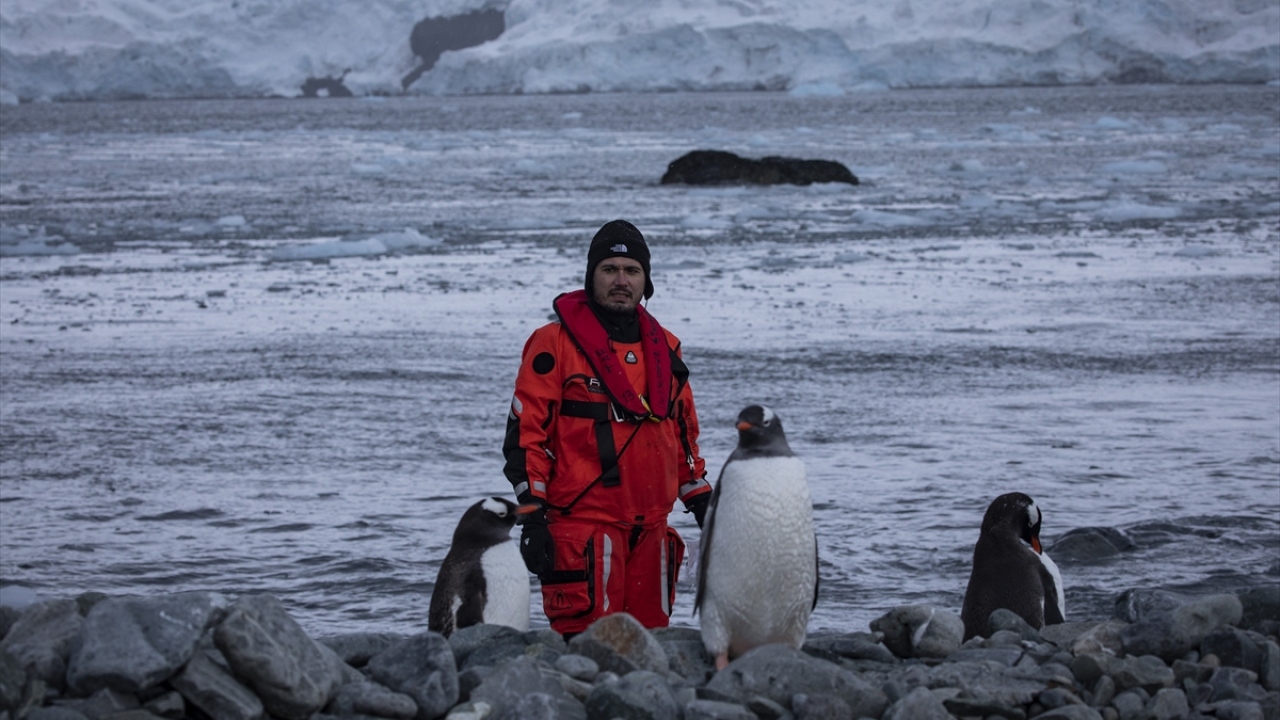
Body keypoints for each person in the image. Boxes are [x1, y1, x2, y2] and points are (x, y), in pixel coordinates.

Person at [503, 219, 712, 638]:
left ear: (646, 282)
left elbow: (683, 437)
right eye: (609, 268)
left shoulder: (667, 349)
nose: (621, 280)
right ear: (591, 276)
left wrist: (708, 510)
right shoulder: (553, 343)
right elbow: (527, 438)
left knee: (652, 649)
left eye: (632, 270)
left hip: (653, 532)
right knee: (586, 654)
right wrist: (533, 517)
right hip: (583, 530)